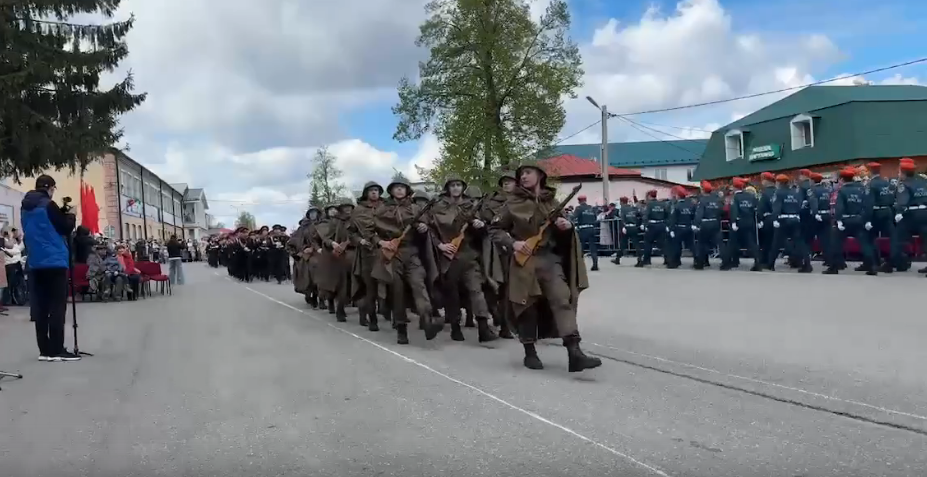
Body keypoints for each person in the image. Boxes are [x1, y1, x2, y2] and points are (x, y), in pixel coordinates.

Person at [21, 174, 79, 362]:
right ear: (50, 188)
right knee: (56, 306)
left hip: (35, 262)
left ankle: (44, 349)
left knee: (41, 307)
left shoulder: (25, 207)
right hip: (54, 261)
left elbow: (43, 226)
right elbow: (65, 228)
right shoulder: (48, 204)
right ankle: (56, 349)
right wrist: (71, 214)